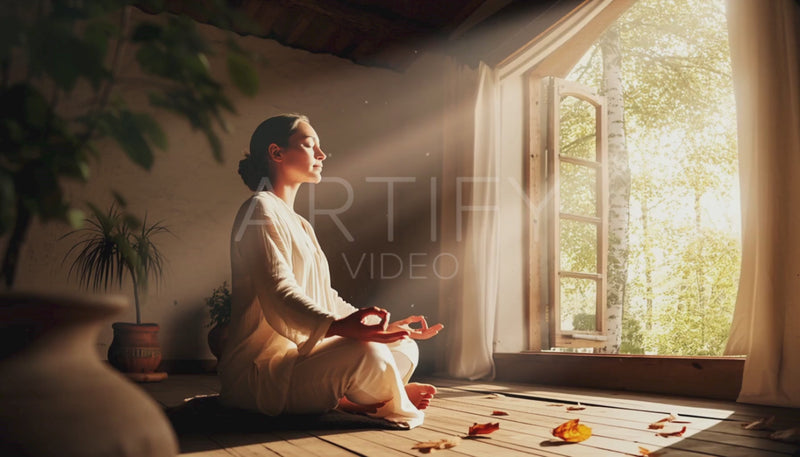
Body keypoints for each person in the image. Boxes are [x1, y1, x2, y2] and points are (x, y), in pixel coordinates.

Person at [218, 113, 444, 429]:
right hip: (262, 376)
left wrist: (381, 326)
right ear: (276, 153)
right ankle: (379, 398)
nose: (322, 156)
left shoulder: (301, 225)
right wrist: (339, 327)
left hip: (301, 360)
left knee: (404, 344)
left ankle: (360, 398)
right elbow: (280, 292)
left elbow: (325, 296)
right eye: (310, 146)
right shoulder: (259, 209)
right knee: (368, 355)